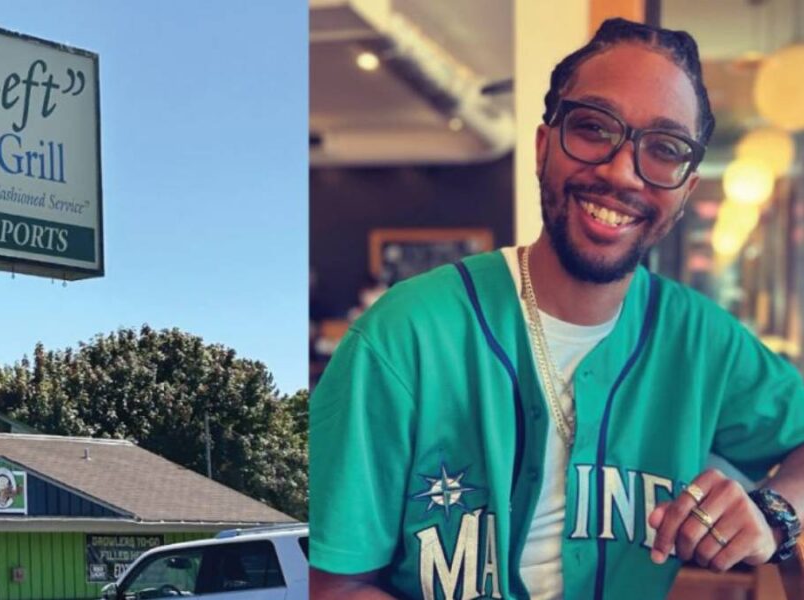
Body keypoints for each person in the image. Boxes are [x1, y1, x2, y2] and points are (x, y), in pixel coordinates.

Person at [309, 18, 804, 600]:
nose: (621, 171)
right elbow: (333, 586)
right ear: (545, 146)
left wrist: (777, 512)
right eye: (594, 128)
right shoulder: (404, 336)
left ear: (687, 189)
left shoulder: (701, 340)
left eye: (665, 148)